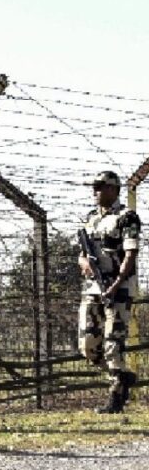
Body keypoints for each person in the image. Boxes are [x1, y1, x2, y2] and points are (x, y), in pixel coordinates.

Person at [78, 171, 139, 413]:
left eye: (100, 187)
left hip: (119, 288)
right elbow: (82, 253)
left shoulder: (127, 217)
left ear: (113, 189)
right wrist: (83, 262)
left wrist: (117, 283)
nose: (96, 191)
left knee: (114, 343)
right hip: (93, 288)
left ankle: (115, 398)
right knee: (88, 346)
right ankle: (123, 375)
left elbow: (131, 253)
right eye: (94, 187)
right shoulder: (91, 218)